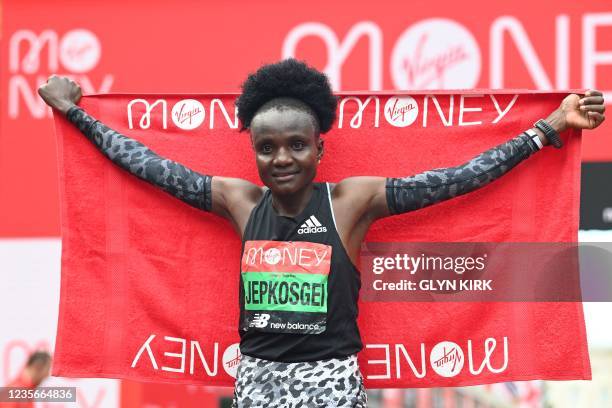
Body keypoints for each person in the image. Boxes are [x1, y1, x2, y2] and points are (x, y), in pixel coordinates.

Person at [38, 59, 605, 407]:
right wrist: (75, 114)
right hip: (257, 385)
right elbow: (146, 165)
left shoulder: (351, 202)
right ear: (253, 153)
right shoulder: (239, 201)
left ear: (320, 149)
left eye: (296, 145)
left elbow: (454, 181)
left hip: (330, 386)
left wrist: (548, 129)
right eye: (267, 148)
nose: (282, 158)